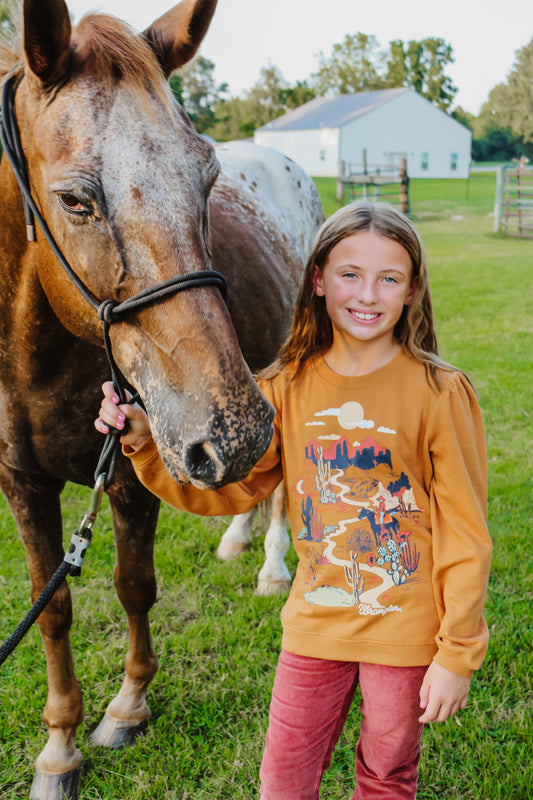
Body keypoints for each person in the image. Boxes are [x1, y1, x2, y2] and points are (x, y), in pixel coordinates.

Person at [96, 201, 492, 800]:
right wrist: (145, 443)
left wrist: (457, 653)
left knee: (386, 776)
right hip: (313, 628)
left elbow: (466, 532)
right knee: (282, 782)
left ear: (412, 290)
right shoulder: (284, 387)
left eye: (390, 277)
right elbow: (230, 492)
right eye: (349, 274)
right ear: (317, 280)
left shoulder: (440, 392)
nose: (368, 293)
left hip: (408, 632)